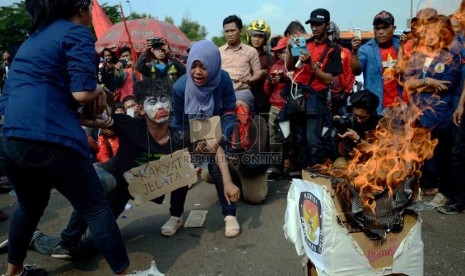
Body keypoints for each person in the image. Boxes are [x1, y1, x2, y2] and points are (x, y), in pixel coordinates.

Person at [0, 0, 153, 275]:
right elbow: (82, 92)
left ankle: (14, 272)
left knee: (29, 205)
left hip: (11, 140)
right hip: (51, 140)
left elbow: (30, 98)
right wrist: (101, 93)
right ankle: (126, 273)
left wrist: (84, 114)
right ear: (82, 9)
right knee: (95, 206)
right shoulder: (76, 32)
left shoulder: (31, 42)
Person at [172, 40, 241, 238]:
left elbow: (229, 112)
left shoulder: (224, 80)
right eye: (194, 65)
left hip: (217, 128)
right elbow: (179, 124)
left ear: (213, 64)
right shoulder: (179, 88)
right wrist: (190, 144)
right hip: (190, 131)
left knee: (217, 166)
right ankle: (175, 215)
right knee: (181, 166)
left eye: (203, 66)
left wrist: (218, 137)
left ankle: (230, 215)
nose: (198, 72)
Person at [403, 17, 461, 209]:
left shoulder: (450, 57)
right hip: (418, 113)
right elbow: (407, 82)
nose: (429, 36)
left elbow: (446, 86)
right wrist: (428, 82)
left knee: (443, 155)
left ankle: (445, 193)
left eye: (434, 32)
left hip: (441, 115)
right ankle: (420, 188)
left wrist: (419, 84)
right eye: (427, 32)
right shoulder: (417, 56)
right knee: (420, 155)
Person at [284, 9, 343, 169]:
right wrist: (289, 49)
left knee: (313, 141)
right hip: (298, 97)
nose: (315, 28)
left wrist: (310, 63)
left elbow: (328, 79)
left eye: (318, 24)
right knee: (300, 140)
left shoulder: (333, 49)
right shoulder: (303, 43)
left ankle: (318, 177)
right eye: (312, 25)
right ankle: (305, 176)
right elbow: (289, 67)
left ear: (327, 25)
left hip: (316, 99)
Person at [351, 10, 402, 114]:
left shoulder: (402, 46)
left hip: (400, 106)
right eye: (377, 28)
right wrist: (354, 53)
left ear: (394, 28)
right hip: (376, 108)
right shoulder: (366, 49)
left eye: (385, 27)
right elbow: (356, 71)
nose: (381, 32)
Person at [219, 15, 266, 99]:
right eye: (227, 31)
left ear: (240, 31)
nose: (229, 34)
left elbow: (258, 72)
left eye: (232, 30)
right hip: (221, 91)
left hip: (242, 91)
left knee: (240, 107)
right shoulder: (218, 52)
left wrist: (250, 79)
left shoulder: (251, 51)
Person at [334, 89, 381, 159]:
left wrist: (358, 139)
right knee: (339, 163)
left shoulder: (380, 123)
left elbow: (380, 154)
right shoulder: (350, 121)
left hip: (373, 162)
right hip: (353, 161)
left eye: (363, 117)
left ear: (373, 113)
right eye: (355, 115)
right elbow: (342, 153)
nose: (358, 120)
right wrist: (342, 134)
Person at [246, 19, 276, 119]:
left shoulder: (270, 58)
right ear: (249, 37)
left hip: (263, 100)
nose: (257, 39)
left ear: (265, 39)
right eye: (254, 36)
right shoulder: (242, 55)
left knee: (262, 129)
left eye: (260, 36)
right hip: (244, 97)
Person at [327, 21, 355, 116]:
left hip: (340, 96)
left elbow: (351, 74)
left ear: (335, 34)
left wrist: (345, 93)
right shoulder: (319, 53)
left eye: (329, 34)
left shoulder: (345, 52)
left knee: (342, 121)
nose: (327, 37)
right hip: (324, 96)